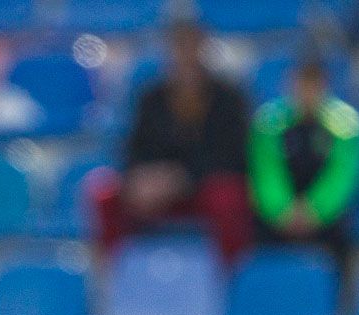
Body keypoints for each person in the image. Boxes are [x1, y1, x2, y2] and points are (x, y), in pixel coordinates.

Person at [88, 18, 252, 263]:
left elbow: (235, 156)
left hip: (204, 189)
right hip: (157, 193)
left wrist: (182, 178)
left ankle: (233, 277)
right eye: (179, 46)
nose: (186, 54)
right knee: (104, 194)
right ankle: (119, 277)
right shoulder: (150, 97)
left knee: (228, 196)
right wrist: (141, 178)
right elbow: (134, 149)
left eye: (192, 45)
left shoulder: (229, 98)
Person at [249, 57, 358, 272]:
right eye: (302, 83)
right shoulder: (268, 122)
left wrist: (314, 211)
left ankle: (339, 299)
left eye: (313, 84)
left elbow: (342, 175)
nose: (307, 91)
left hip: (326, 217)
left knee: (343, 234)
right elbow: (265, 172)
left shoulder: (346, 125)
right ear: (289, 83)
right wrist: (283, 210)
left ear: (325, 86)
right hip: (279, 216)